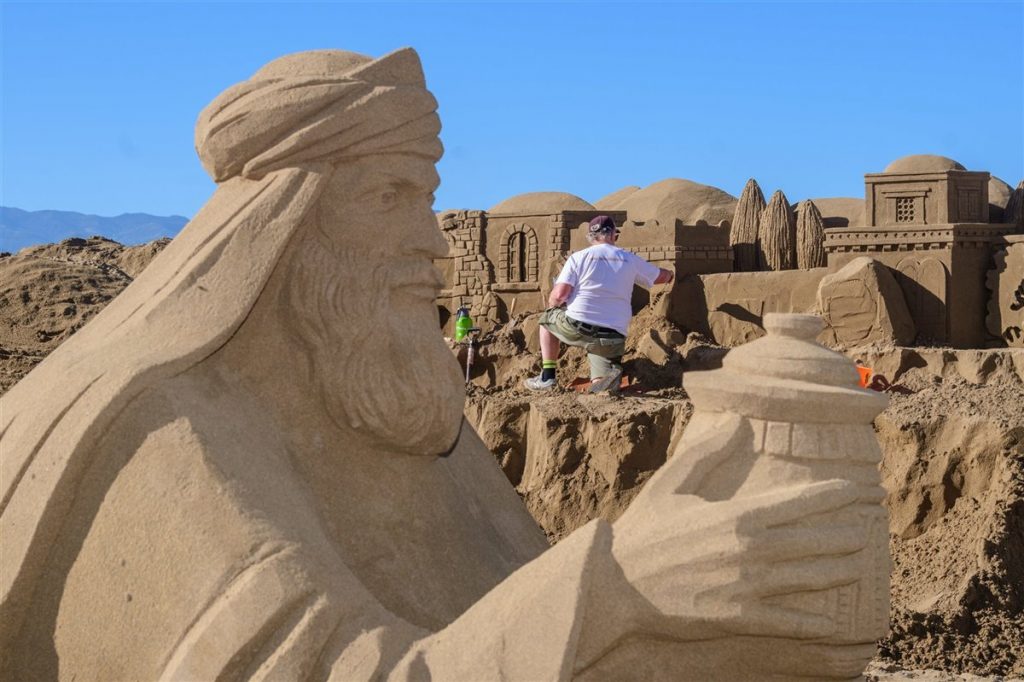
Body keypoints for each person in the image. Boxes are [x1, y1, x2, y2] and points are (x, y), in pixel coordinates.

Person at [0, 48, 874, 681]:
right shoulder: (164, 426)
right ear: (285, 229)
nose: (430, 243)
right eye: (389, 198)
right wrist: (620, 584)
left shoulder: (400, 406)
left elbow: (508, 617)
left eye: (428, 199)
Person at [525, 215, 674, 392]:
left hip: (578, 326)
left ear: (590, 237)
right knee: (600, 379)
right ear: (613, 235)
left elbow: (559, 295)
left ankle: (547, 377)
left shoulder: (578, 257)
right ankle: (603, 381)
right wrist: (671, 273)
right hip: (613, 336)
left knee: (547, 320)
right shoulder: (629, 259)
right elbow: (662, 277)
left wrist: (554, 305)